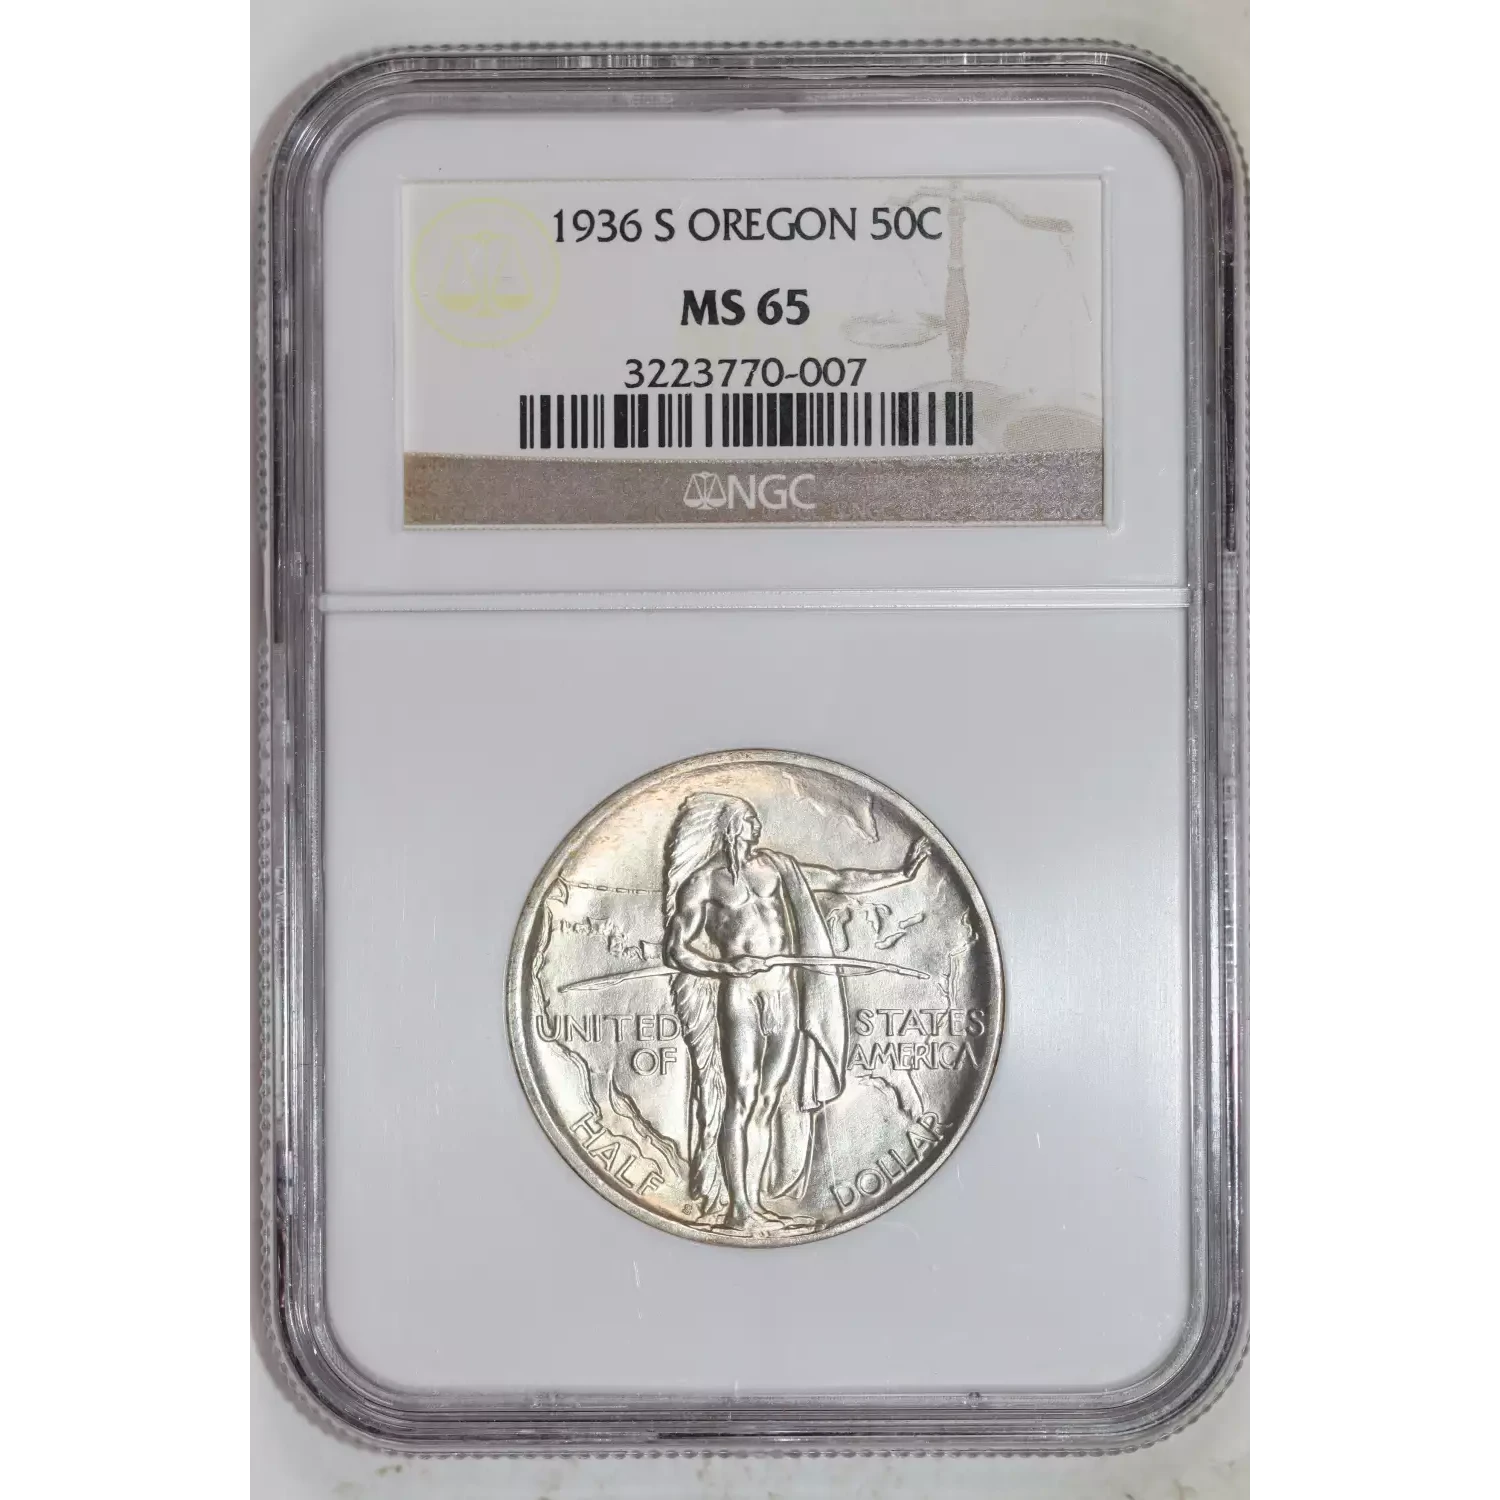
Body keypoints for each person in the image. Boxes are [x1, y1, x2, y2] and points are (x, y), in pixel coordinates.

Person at [662, 792, 929, 1232]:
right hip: (742, 994)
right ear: (730, 827)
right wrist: (725, 966)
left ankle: (754, 1205)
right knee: (742, 1097)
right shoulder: (704, 883)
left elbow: (838, 880)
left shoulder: (778, 868)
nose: (756, 828)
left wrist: (899, 874)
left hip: (784, 992)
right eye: (749, 821)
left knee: (767, 1101)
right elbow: (677, 950)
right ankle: (739, 1210)